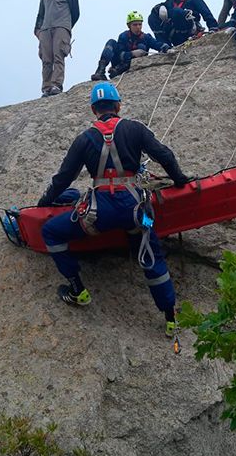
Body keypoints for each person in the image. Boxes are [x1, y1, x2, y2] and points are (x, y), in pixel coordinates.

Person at [37, 82, 192, 336]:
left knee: (52, 232)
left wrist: (44, 203)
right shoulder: (134, 129)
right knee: (152, 255)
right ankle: (170, 317)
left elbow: (63, 178)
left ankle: (78, 290)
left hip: (100, 214)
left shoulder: (84, 139)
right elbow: (164, 155)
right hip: (134, 209)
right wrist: (180, 180)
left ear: (93, 110)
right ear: (118, 105)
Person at [34, 0, 80, 97]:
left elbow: (75, 11)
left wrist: (67, 26)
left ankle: (56, 85)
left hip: (61, 27)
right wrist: (37, 30)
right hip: (45, 29)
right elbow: (40, 15)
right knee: (46, 59)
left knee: (58, 56)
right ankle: (46, 87)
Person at [91, 11, 171, 81]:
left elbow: (157, 44)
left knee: (142, 46)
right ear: (129, 26)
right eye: (135, 25)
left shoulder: (146, 37)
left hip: (133, 66)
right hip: (120, 62)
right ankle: (100, 71)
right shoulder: (124, 36)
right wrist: (132, 54)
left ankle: (117, 71)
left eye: (140, 24)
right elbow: (119, 54)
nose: (138, 27)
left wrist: (167, 48)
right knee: (111, 42)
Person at [147, 0, 219, 47]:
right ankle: (164, 45)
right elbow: (155, 10)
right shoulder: (170, 2)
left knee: (176, 12)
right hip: (176, 35)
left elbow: (205, 12)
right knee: (152, 17)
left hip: (190, 30)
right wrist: (159, 8)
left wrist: (213, 27)